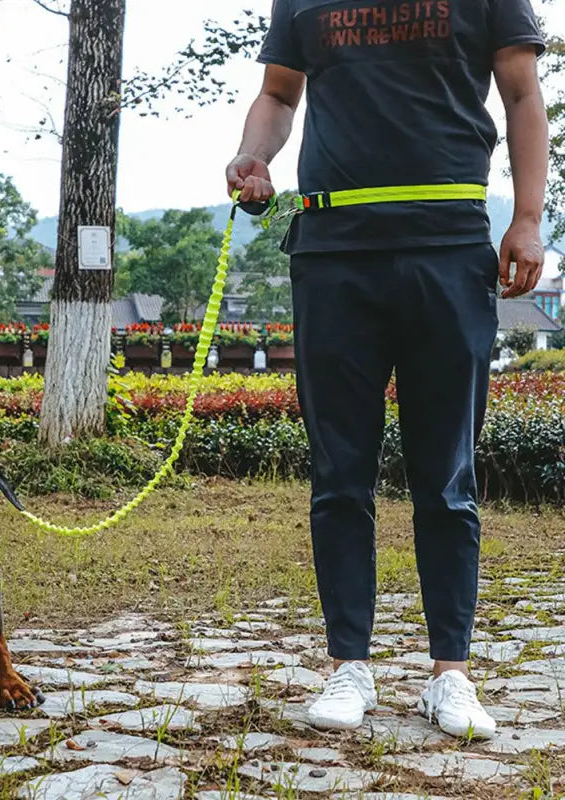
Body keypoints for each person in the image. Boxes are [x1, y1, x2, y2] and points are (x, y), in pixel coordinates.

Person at [226, 0, 548, 738]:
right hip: (333, 249)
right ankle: (349, 666)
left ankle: (451, 675)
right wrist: (256, 154)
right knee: (340, 473)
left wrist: (527, 218)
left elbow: (524, 93)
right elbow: (279, 94)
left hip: (448, 244)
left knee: (447, 475)